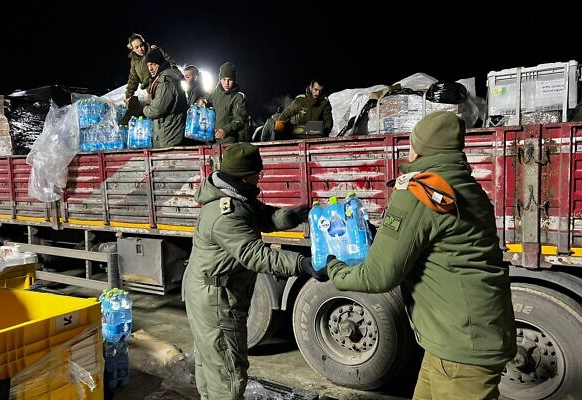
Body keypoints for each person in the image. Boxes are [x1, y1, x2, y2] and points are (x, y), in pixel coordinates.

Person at [326, 111, 516, 400]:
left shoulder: (420, 190)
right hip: (459, 339)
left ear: (419, 148)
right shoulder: (468, 188)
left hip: (460, 348)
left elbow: (378, 276)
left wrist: (333, 268)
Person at [184, 142, 327, 399]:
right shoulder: (224, 213)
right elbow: (253, 254)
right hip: (216, 299)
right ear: (245, 175)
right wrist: (301, 264)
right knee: (228, 374)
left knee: (212, 364)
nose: (258, 178)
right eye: (256, 174)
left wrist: (291, 217)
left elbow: (262, 217)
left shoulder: (235, 196)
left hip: (212, 291)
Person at [121, 33, 176, 125]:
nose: (140, 49)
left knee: (161, 112)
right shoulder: (134, 62)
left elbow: (171, 63)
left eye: (141, 45)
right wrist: (128, 96)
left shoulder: (155, 51)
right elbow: (133, 80)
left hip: (162, 86)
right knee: (149, 115)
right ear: (132, 49)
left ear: (144, 43)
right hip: (150, 91)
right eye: (137, 47)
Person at [142, 49, 187, 148]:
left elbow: (156, 110)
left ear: (160, 63)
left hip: (168, 136)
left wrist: (143, 109)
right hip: (169, 134)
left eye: (153, 64)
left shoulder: (165, 81)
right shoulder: (168, 77)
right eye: (148, 65)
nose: (150, 68)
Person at [198, 62, 251, 143]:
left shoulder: (238, 97)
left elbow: (240, 120)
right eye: (224, 79)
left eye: (230, 80)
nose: (226, 83)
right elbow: (207, 98)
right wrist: (203, 100)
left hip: (228, 141)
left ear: (234, 80)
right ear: (220, 79)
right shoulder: (215, 93)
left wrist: (225, 130)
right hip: (211, 141)